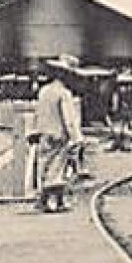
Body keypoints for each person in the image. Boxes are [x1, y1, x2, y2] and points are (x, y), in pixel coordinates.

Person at [33, 56, 83, 212]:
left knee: (45, 167)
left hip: (44, 134)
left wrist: (36, 131)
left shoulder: (44, 91)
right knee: (58, 169)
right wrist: (76, 138)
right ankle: (47, 201)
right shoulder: (64, 93)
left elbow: (38, 113)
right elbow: (69, 119)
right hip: (59, 135)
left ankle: (54, 201)